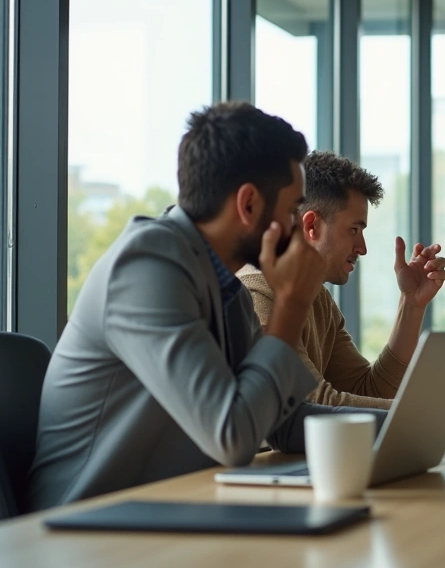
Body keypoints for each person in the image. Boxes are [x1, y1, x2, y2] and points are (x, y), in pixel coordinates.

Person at [26, 102, 374, 511]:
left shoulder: (225, 285)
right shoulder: (146, 266)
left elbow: (284, 421)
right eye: (292, 210)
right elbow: (233, 436)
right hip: (81, 534)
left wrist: (415, 430)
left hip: (160, 516)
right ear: (248, 205)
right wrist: (292, 304)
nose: (301, 228)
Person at [237, 151, 445, 432]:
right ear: (312, 225)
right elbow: (315, 404)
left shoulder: (319, 299)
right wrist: (436, 414)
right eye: (354, 230)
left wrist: (411, 305)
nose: (362, 248)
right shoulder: (257, 292)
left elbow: (371, 390)